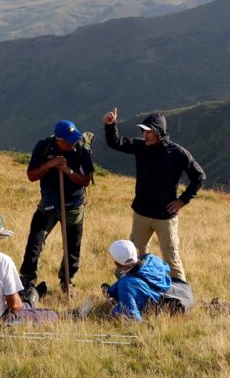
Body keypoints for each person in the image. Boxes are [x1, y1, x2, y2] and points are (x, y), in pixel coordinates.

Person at [103, 109, 205, 282]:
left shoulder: (177, 153)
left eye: (149, 131)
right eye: (143, 131)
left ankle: (180, 297)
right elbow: (116, 143)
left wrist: (182, 200)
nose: (145, 135)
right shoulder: (141, 146)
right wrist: (110, 125)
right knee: (133, 257)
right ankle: (137, 289)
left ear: (159, 132)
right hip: (141, 214)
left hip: (165, 217)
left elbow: (199, 176)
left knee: (171, 258)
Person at [20, 119, 95, 293]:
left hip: (74, 206)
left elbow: (85, 181)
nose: (72, 143)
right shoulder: (44, 146)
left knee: (72, 246)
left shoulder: (82, 150)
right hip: (48, 204)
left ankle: (68, 282)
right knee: (35, 241)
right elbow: (31, 175)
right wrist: (50, 164)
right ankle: (27, 279)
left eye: (74, 139)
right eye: (68, 141)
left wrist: (67, 170)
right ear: (58, 140)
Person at [104, 239, 171, 321]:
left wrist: (112, 312)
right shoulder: (151, 258)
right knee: (125, 278)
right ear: (137, 252)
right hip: (165, 292)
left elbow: (133, 318)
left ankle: (113, 294)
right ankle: (111, 292)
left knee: (116, 310)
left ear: (117, 264)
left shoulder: (126, 284)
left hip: (155, 305)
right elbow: (167, 268)